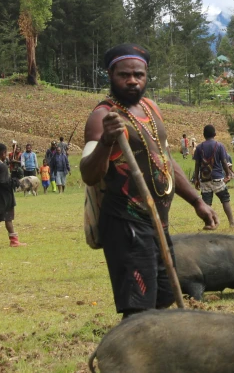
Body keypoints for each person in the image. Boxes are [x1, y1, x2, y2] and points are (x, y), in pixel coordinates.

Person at [80, 43, 217, 318]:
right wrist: (106, 140)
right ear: (110, 74)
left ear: (146, 75)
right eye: (124, 75)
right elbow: (88, 173)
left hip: (157, 221)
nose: (132, 80)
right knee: (138, 306)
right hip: (125, 223)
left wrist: (197, 201)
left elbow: (165, 160)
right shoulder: (102, 116)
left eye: (138, 74)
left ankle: (153, 349)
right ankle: (132, 354)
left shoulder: (151, 109)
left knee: (165, 293)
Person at [192, 125, 234, 228]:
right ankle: (232, 222)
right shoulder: (219, 146)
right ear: (215, 134)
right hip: (217, 178)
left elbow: (197, 165)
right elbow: (224, 162)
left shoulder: (199, 148)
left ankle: (209, 223)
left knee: (206, 203)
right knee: (225, 199)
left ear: (204, 135)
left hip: (204, 178)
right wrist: (228, 174)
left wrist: (196, 179)